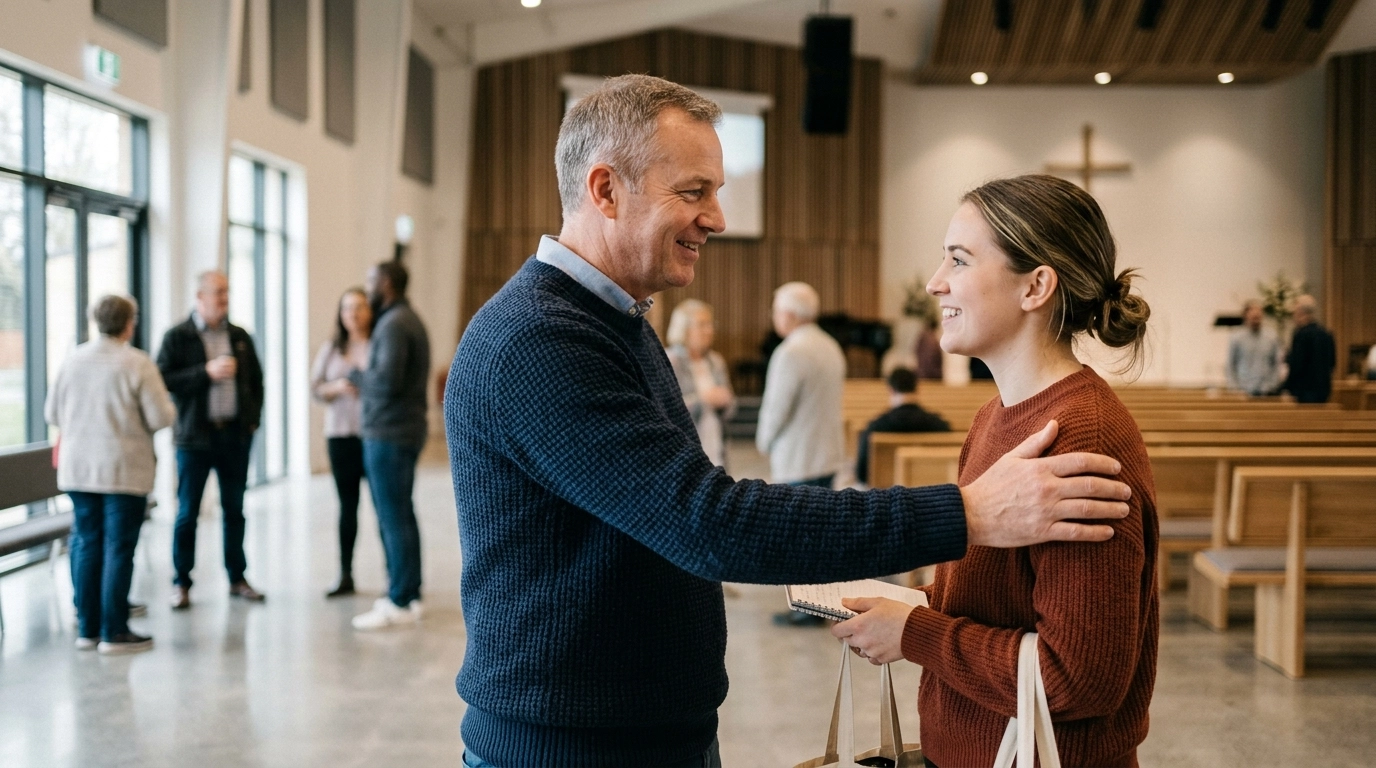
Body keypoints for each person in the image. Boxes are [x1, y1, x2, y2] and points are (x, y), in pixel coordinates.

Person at [445, 75, 1133, 768]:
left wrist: (920, 616)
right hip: (570, 746)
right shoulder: (540, 339)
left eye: (716, 191)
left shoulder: (612, 320)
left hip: (635, 732)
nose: (717, 217)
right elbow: (706, 522)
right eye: (693, 191)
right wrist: (967, 515)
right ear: (605, 190)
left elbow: (1077, 670)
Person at [833, 174, 1159, 768]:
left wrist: (915, 632)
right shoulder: (994, 416)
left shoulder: (1081, 435)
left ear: (1035, 286)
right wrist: (906, 605)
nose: (935, 282)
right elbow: (994, 598)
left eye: (959, 259)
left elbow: (1077, 680)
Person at [45, 295, 174, 654]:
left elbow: (51, 413)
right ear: (129, 324)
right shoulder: (137, 363)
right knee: (119, 546)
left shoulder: (73, 360)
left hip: (78, 469)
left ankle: (87, 630)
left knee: (86, 542)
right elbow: (161, 417)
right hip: (123, 469)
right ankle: (114, 631)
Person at [157, 270, 265, 610]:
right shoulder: (177, 336)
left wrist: (252, 421)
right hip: (194, 440)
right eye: (218, 292)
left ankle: (237, 578)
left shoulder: (239, 336)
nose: (224, 299)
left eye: (226, 292)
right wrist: (205, 373)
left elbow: (257, 382)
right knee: (187, 513)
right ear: (200, 297)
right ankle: (181, 582)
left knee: (234, 510)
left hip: (234, 437)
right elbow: (163, 379)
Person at [348, 261, 430, 631]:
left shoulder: (395, 324)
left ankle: (400, 599)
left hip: (390, 433)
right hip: (399, 430)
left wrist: (356, 375)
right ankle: (407, 593)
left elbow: (386, 382)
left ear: (385, 284)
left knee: (393, 516)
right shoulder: (404, 319)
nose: (367, 289)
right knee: (400, 514)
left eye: (370, 281)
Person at [310, 287, 372, 598]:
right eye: (347, 308)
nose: (353, 314)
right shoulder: (332, 348)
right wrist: (337, 387)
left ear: (369, 310)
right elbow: (315, 387)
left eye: (359, 307)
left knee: (382, 506)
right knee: (348, 506)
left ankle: (395, 578)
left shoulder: (378, 343)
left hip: (372, 435)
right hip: (340, 436)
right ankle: (345, 574)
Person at [756, 281, 846, 488]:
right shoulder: (831, 346)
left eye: (776, 311)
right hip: (828, 456)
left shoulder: (789, 352)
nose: (774, 317)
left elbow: (777, 407)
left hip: (798, 459)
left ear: (790, 315)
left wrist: (764, 441)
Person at [665, 299, 736, 468]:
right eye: (702, 325)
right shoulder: (670, 361)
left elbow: (731, 407)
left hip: (716, 447)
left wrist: (726, 401)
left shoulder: (716, 361)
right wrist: (703, 400)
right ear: (684, 329)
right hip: (684, 452)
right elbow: (667, 409)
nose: (709, 330)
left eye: (710, 324)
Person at [854, 367, 950, 486]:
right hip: (930, 489)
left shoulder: (876, 427)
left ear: (891, 390)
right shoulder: (939, 425)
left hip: (885, 492)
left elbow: (862, 474)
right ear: (917, 388)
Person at [1282, 294, 1336, 403]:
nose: (1293, 317)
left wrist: (1286, 387)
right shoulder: (1326, 334)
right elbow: (1332, 363)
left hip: (1303, 392)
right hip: (1323, 390)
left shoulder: (1301, 335)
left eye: (1294, 313)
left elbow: (1297, 365)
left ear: (1301, 313)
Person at [1226, 300, 1283, 396]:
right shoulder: (1236, 338)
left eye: (1258, 317)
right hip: (1243, 389)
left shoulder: (1271, 337)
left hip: (1266, 389)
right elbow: (1231, 364)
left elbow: (1276, 363)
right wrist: (1234, 387)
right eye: (1253, 317)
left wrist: (1272, 384)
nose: (1256, 320)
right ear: (1245, 316)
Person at [914, 316, 943, 380]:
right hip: (929, 374)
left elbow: (916, 350)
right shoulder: (932, 340)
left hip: (923, 371)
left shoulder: (923, 337)